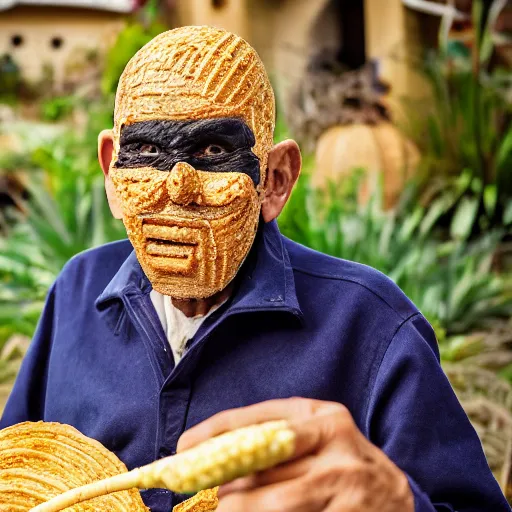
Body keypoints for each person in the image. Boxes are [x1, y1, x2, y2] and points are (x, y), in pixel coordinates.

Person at [1, 26, 510, 512]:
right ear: (113, 174)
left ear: (275, 180)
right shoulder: (75, 293)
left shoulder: (371, 326)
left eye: (214, 151)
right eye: (148, 152)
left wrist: (398, 503)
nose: (178, 186)